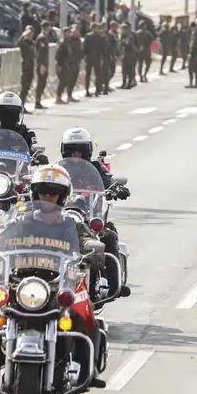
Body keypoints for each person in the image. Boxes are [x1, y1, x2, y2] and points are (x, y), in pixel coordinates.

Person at [0, 165, 106, 385]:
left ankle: (88, 369)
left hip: (57, 283)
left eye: (53, 192)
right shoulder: (21, 221)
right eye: (43, 192)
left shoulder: (71, 224)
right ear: (35, 193)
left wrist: (94, 248)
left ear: (62, 196)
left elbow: (86, 240)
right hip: (21, 281)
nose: (47, 197)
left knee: (83, 309)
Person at [60, 127, 131, 297]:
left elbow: (108, 179)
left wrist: (116, 187)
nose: (77, 155)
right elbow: (45, 179)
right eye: (72, 150)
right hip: (63, 217)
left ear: (88, 151)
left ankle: (115, 285)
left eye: (81, 151)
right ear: (65, 151)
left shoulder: (96, 168)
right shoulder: (59, 170)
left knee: (109, 237)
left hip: (90, 216)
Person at [16, 27, 36, 114]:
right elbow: (18, 43)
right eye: (28, 34)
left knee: (27, 88)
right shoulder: (23, 43)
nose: (30, 35)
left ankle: (23, 105)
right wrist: (23, 35)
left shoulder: (32, 44)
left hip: (30, 68)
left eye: (31, 34)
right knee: (23, 89)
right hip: (25, 68)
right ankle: (20, 106)